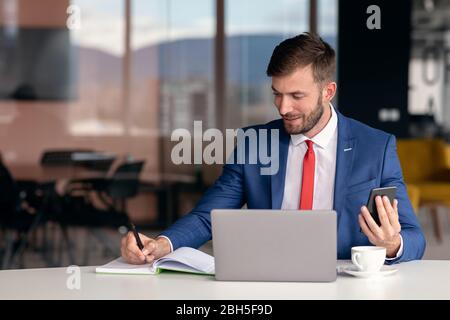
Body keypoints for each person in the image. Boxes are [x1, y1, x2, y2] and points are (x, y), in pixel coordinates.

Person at [121, 33, 426, 265]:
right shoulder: (254, 143)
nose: (284, 107)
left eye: (296, 95)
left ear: (328, 92)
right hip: (268, 277)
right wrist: (161, 243)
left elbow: (415, 237)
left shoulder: (377, 147)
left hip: (344, 280)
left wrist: (392, 244)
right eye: (277, 94)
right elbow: (207, 217)